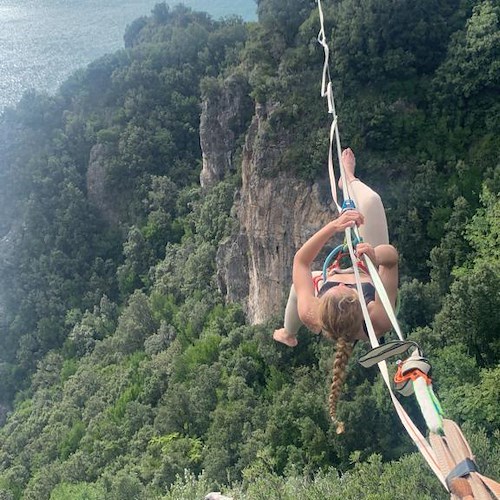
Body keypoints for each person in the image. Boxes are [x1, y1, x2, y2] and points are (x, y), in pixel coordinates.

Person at [273, 147, 399, 433]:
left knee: (299, 286)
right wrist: (376, 257)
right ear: (357, 301)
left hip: (338, 275)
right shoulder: (378, 319)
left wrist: (335, 226)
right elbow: (392, 260)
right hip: (370, 266)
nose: (341, 281)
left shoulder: (312, 313)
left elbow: (301, 262)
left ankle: (288, 333)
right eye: (342, 286)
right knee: (373, 201)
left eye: (334, 287)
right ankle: (350, 177)